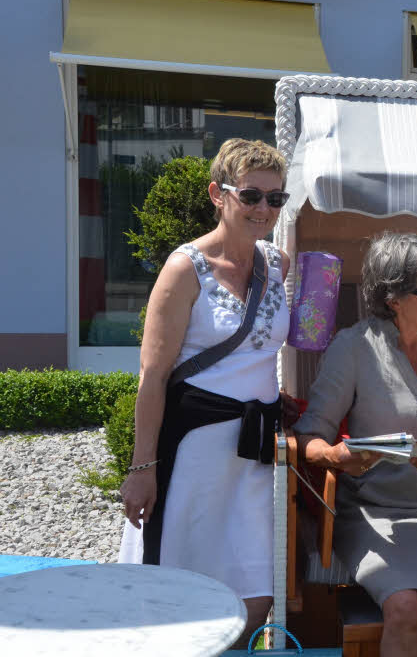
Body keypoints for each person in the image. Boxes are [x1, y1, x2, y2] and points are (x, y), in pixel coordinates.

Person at [119, 138, 292, 646]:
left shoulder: (278, 264)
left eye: (276, 198)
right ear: (218, 194)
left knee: (257, 592)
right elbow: (153, 379)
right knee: (179, 596)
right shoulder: (184, 269)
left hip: (256, 453)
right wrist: (141, 470)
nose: (264, 209)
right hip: (193, 452)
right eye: (251, 195)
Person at [293, 232, 417, 657]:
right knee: (405, 609)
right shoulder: (353, 348)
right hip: (376, 512)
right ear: (393, 298)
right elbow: (308, 437)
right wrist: (335, 456)